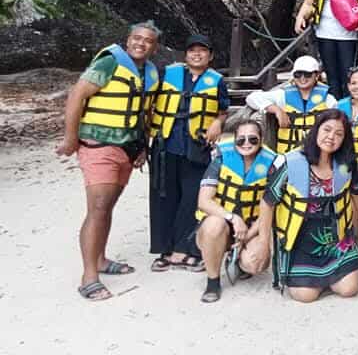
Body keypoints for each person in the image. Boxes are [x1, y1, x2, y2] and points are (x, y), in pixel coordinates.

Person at [57, 22, 161, 301]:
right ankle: (89, 277)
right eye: (137, 38)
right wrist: (70, 138)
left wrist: (143, 147)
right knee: (99, 208)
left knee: (107, 206)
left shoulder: (149, 72)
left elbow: (144, 113)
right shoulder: (109, 62)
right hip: (99, 144)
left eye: (148, 41)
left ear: (155, 47)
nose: (141, 44)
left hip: (128, 147)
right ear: (128, 40)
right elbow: (77, 96)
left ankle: (101, 259)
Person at [258, 109, 358, 301]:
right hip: (299, 241)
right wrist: (263, 243)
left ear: (344, 139)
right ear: (316, 130)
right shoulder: (291, 162)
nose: (331, 137)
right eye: (327, 130)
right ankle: (316, 279)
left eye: (339, 133)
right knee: (305, 296)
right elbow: (267, 202)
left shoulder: (346, 164)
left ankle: (328, 276)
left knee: (349, 289)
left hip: (336, 239)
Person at [148, 34, 229, 273]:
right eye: (192, 50)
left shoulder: (216, 81)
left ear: (210, 56)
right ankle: (166, 248)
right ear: (186, 55)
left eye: (202, 51)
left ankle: (189, 249)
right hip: (166, 144)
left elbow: (223, 110)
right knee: (164, 197)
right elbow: (148, 103)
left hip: (197, 145)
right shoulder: (168, 74)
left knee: (193, 198)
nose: (197, 54)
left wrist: (218, 123)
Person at [194, 120, 275, 302]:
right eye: (241, 140)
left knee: (255, 263)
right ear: (234, 141)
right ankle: (213, 280)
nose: (246, 144)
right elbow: (203, 201)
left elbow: (269, 209)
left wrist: (248, 235)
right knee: (214, 225)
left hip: (251, 227)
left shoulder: (271, 164)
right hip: (222, 223)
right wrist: (232, 218)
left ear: (261, 140)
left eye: (253, 139)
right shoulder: (221, 159)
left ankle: (239, 260)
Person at [245, 55, 338, 154]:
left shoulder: (328, 100)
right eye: (298, 74)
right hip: (288, 155)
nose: (302, 78)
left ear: (316, 75)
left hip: (317, 154)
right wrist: (277, 110)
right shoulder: (283, 96)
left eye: (307, 74)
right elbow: (251, 98)